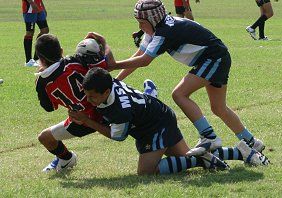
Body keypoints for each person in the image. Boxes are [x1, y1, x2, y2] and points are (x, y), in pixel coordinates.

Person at [87, 0, 266, 158]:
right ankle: (252, 142)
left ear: (152, 20)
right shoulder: (156, 28)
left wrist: (113, 65)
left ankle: (209, 137)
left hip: (213, 57)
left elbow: (145, 61)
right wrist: (115, 80)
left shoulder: (164, 31)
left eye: (142, 22)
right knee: (218, 108)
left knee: (179, 94)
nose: (140, 27)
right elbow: (139, 55)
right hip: (216, 57)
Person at [68, 67, 232, 175]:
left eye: (92, 96)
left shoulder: (120, 109)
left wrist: (87, 121)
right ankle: (241, 151)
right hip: (158, 115)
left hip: (155, 126)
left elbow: (118, 136)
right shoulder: (107, 81)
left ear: (106, 92)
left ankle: (201, 159)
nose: (88, 100)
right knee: (184, 156)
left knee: (146, 172)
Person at [35, 34, 110, 172]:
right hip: (108, 110)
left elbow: (50, 108)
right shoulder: (74, 62)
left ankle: (65, 158)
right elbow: (104, 66)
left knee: (44, 138)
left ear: (40, 59)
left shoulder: (41, 82)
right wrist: (102, 44)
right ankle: (144, 101)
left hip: (81, 122)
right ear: (61, 51)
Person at [22, 0, 49, 66]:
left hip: (39, 8)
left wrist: (43, 7)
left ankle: (36, 58)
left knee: (45, 30)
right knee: (30, 33)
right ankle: (28, 60)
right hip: (30, 10)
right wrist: (32, 3)